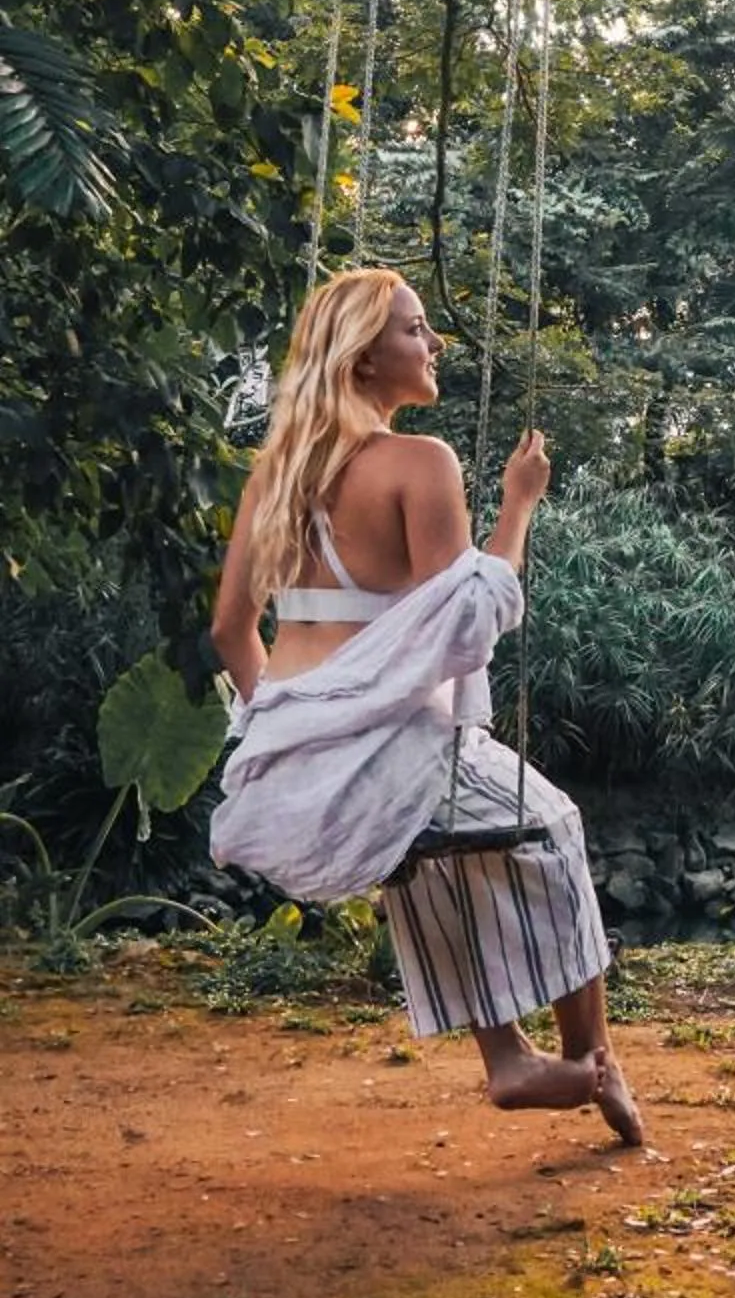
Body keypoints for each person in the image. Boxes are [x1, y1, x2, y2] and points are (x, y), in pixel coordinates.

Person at [209, 265, 643, 1142]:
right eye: (414, 330)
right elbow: (468, 623)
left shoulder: (276, 476)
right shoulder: (418, 462)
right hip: (393, 737)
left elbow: (228, 633)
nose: (433, 342)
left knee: (435, 849)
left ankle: (509, 1059)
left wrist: (287, 731)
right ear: (366, 359)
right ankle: (594, 1058)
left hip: (288, 754)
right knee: (552, 828)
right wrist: (519, 504)